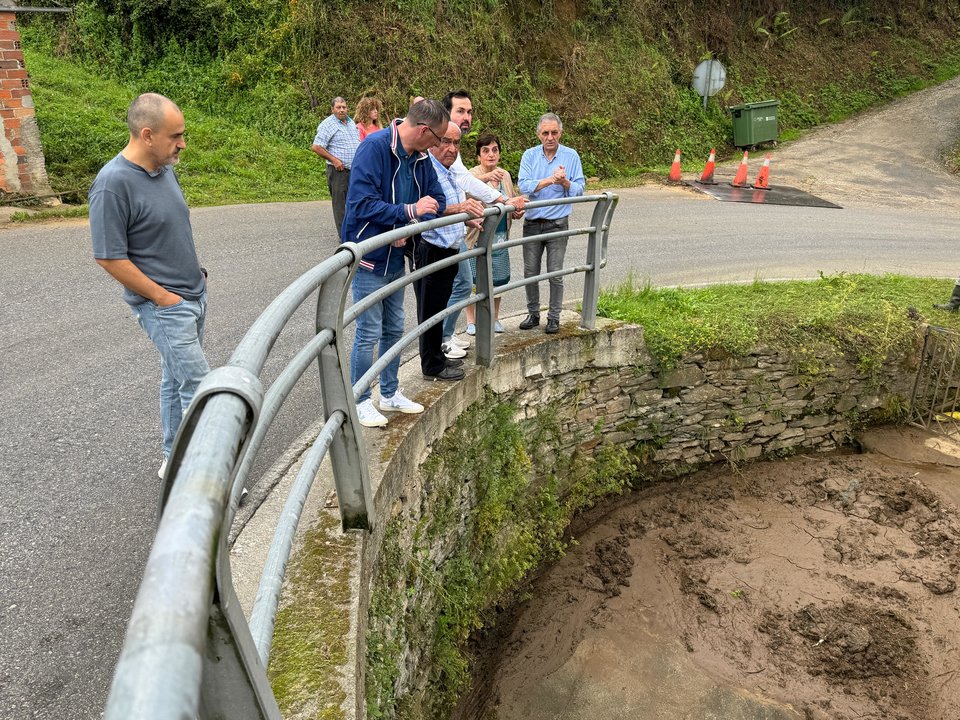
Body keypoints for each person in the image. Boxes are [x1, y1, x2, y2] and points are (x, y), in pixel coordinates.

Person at [89, 92, 209, 479]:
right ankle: (205, 478)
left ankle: (175, 457)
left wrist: (196, 275)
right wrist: (161, 297)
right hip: (165, 306)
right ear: (146, 135)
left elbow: (168, 228)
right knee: (200, 387)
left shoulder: (164, 169)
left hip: (191, 294)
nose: (183, 144)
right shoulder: (112, 184)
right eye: (175, 136)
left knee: (176, 379)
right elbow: (109, 256)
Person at [340, 98, 449, 428]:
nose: (438, 146)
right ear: (424, 130)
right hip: (370, 256)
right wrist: (407, 213)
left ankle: (389, 392)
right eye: (437, 139)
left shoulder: (420, 157)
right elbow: (361, 204)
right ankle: (359, 399)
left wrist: (407, 222)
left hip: (396, 256)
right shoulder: (374, 148)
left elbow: (438, 200)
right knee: (368, 330)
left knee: (393, 327)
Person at [439, 90, 526, 356]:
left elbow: (463, 181)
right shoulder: (437, 147)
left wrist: (506, 202)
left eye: (469, 112)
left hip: (465, 235)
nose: (466, 117)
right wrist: (488, 194)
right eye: (460, 111)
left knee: (467, 283)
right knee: (453, 286)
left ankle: (445, 337)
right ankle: (442, 340)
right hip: (442, 235)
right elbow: (459, 188)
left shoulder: (455, 150)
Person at [414, 122, 486, 381]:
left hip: (449, 248)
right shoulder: (427, 169)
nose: (451, 148)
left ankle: (438, 358)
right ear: (433, 142)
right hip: (432, 248)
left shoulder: (448, 171)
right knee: (430, 310)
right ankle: (432, 366)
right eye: (446, 141)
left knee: (440, 305)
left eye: (456, 143)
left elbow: (450, 207)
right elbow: (430, 207)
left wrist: (466, 218)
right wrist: (461, 209)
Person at [517, 112, 585, 334]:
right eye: (545, 133)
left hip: (557, 222)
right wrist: (550, 180)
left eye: (554, 132)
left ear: (560, 133)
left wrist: (565, 181)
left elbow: (580, 189)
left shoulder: (571, 156)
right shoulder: (529, 155)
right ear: (538, 134)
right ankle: (533, 313)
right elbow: (524, 186)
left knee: (555, 273)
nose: (550, 137)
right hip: (533, 222)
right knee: (530, 272)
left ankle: (554, 317)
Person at [464, 132, 522, 334]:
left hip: (500, 236)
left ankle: (494, 317)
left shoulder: (505, 175)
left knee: (499, 278)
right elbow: (466, 191)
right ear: (478, 155)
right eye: (485, 150)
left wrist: (517, 211)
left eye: (494, 150)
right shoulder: (471, 174)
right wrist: (486, 177)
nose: (490, 154)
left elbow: (510, 200)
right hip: (476, 237)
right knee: (472, 280)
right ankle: (471, 321)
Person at [311, 96, 361, 237]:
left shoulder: (351, 123)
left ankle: (354, 231)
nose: (341, 110)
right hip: (338, 171)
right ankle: (344, 235)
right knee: (340, 205)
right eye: (338, 107)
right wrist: (334, 160)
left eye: (344, 107)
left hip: (353, 170)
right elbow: (316, 147)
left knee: (354, 201)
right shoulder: (328, 124)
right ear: (332, 109)